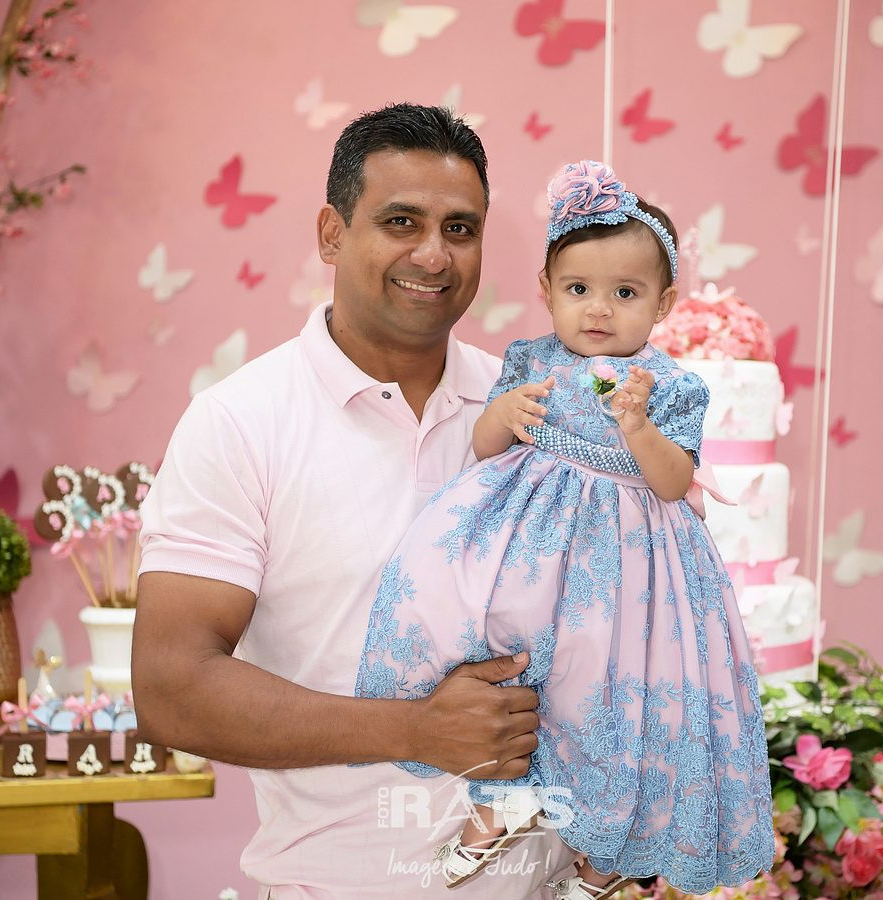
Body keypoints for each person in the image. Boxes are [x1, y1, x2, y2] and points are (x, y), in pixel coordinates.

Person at [133, 104, 576, 898]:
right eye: (401, 221)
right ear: (331, 233)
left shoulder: (538, 408)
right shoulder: (242, 422)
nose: (433, 255)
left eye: (460, 229)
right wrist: (416, 732)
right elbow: (172, 685)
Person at [355, 160, 774, 899]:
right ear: (546, 290)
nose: (598, 310)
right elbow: (486, 447)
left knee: (612, 692)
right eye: (578, 290)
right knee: (511, 659)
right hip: (535, 549)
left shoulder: (670, 385)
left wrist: (638, 427)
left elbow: (672, 482)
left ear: (662, 303)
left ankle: (605, 851)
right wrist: (501, 415)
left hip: (629, 565)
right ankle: (502, 799)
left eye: (625, 293)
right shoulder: (531, 359)